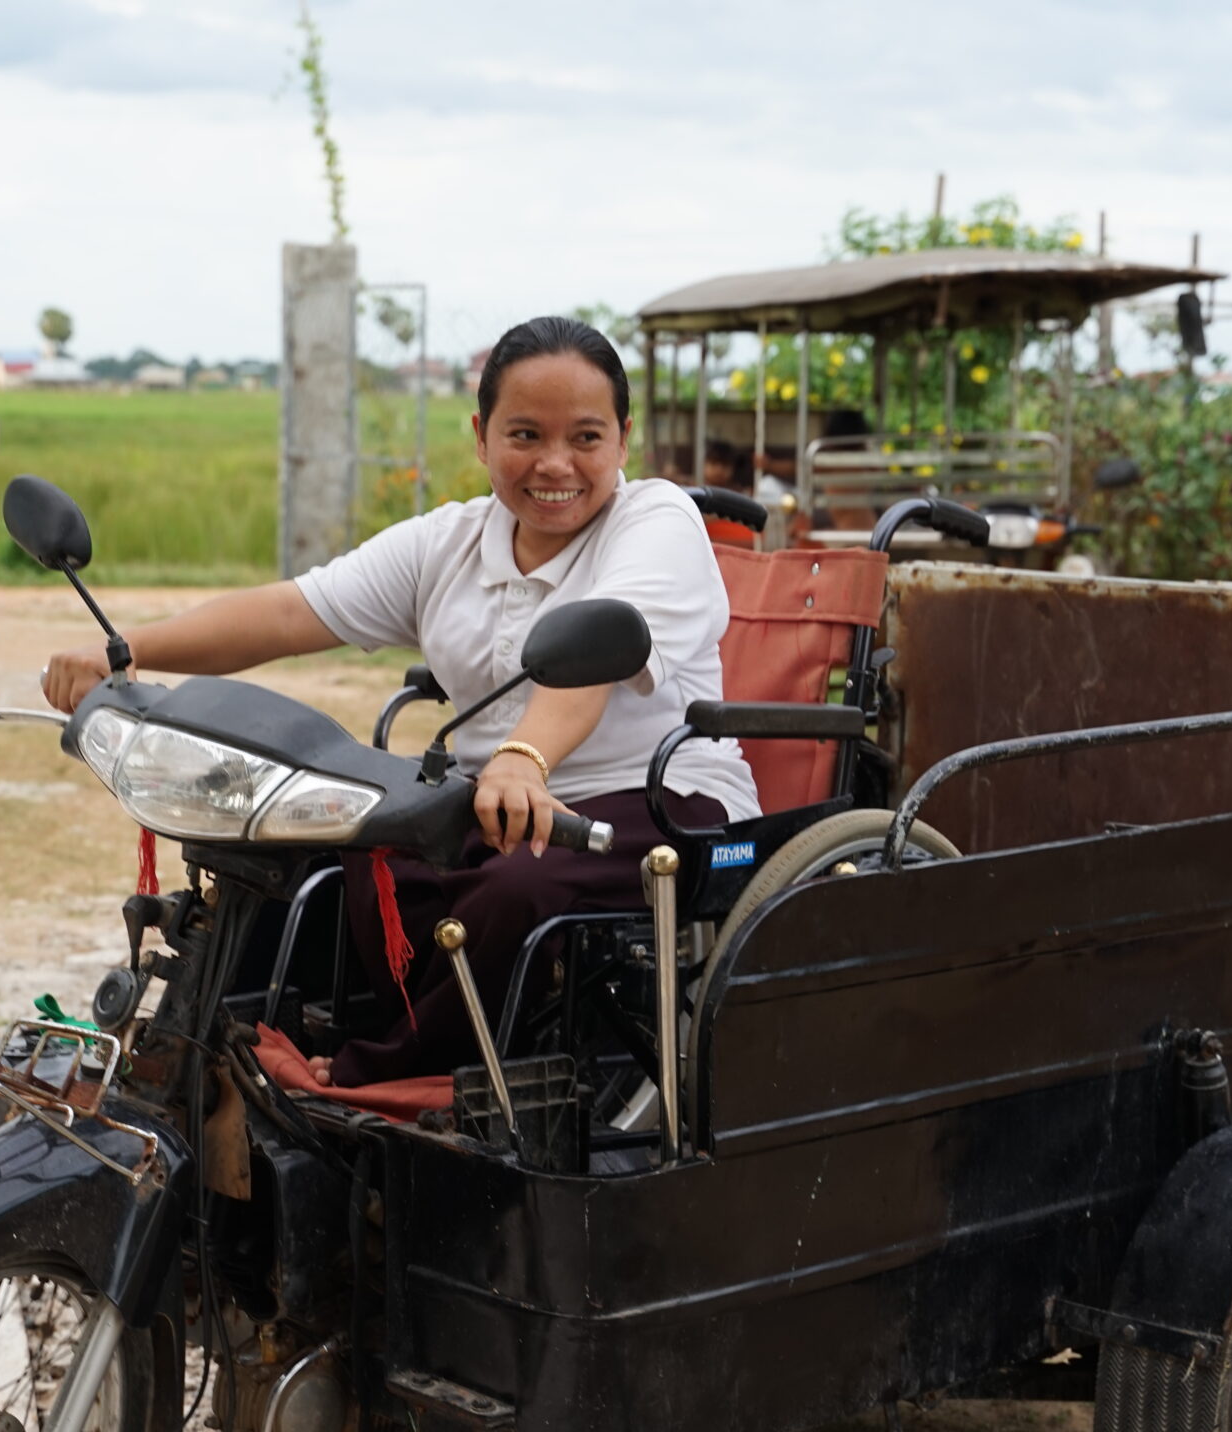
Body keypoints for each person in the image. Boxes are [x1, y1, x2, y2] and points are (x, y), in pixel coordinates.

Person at [41, 316, 759, 1088]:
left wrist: (523, 755)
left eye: (585, 437)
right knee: (345, 833)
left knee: (520, 886)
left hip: (657, 804)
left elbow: (594, 657)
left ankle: (393, 1074)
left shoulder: (656, 521)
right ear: (481, 436)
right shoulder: (447, 542)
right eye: (525, 434)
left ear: (624, 438)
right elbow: (290, 612)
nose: (555, 464)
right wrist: (126, 652)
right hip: (496, 806)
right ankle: (284, 1035)